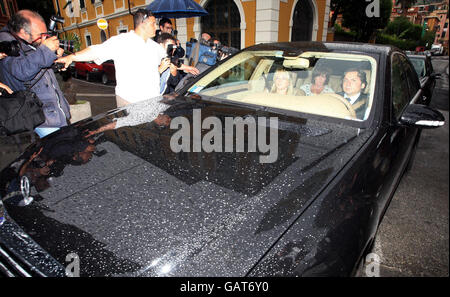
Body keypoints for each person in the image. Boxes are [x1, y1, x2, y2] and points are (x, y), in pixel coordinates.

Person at [56, 9, 167, 108]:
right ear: (143, 24)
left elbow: (169, 61)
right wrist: (72, 57)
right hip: (130, 103)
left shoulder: (154, 47)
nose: (156, 27)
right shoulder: (122, 41)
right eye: (153, 24)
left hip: (153, 103)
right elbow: (95, 51)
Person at [0, 10, 71, 138]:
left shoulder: (28, 42)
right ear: (23, 32)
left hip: (55, 115)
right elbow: (21, 71)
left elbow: (37, 67)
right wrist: (46, 50)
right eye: (41, 34)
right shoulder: (6, 43)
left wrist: (55, 59)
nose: (44, 38)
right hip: (42, 121)